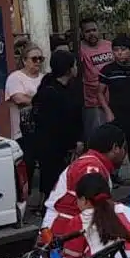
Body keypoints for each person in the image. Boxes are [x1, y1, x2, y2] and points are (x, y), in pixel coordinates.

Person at [41, 122, 128, 227]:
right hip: (63, 229)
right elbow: (94, 207)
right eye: (123, 148)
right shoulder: (91, 166)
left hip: (68, 226)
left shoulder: (92, 163)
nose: (124, 153)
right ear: (115, 148)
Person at [31, 49, 86, 201]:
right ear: (68, 69)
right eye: (74, 65)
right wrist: (72, 143)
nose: (76, 68)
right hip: (53, 146)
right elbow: (57, 123)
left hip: (67, 144)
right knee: (53, 180)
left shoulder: (71, 86)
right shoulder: (50, 90)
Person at [99, 34, 130, 183]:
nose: (119, 53)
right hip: (117, 115)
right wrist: (107, 111)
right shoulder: (107, 70)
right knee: (114, 148)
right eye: (116, 50)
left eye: (123, 49)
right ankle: (110, 177)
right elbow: (99, 92)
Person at [5, 43, 45, 189]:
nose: (38, 62)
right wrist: (41, 101)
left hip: (42, 130)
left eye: (41, 59)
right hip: (22, 131)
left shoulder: (44, 78)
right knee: (26, 167)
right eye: (34, 59)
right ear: (24, 60)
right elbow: (19, 99)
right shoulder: (15, 77)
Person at [76, 17, 114, 139]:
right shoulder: (80, 49)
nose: (91, 33)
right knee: (96, 138)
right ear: (82, 33)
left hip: (113, 99)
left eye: (94, 30)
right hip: (93, 102)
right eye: (87, 31)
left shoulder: (109, 45)